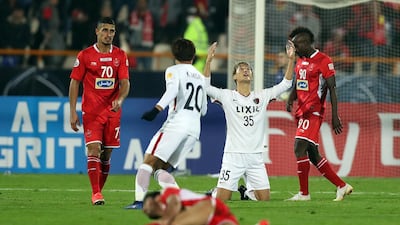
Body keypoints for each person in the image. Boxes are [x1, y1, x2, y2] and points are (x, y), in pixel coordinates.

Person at [204, 41, 295, 201]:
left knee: (264, 200)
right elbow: (205, 87)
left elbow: (286, 84)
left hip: (255, 157)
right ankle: (215, 192)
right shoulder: (227, 96)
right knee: (223, 200)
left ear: (252, 75)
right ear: (234, 76)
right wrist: (208, 61)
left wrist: (291, 60)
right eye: (241, 69)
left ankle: (245, 192)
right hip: (233, 156)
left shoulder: (262, 96)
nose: (246, 71)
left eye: (248, 69)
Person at [125, 38, 208, 209]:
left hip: (176, 124)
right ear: (193, 56)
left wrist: (156, 110)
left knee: (148, 162)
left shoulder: (173, 70)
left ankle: (139, 202)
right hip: (194, 130)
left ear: (174, 54)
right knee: (160, 169)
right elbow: (204, 110)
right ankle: (182, 202)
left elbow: (172, 90)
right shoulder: (200, 77)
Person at [285, 26, 353, 201]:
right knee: (313, 155)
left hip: (314, 111)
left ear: (306, 43)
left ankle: (304, 194)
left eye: (297, 45)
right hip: (302, 111)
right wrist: (290, 99)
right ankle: (342, 186)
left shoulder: (323, 60)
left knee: (299, 146)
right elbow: (298, 82)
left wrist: (335, 115)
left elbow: (332, 89)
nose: (295, 49)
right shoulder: (301, 61)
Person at [69, 17, 130, 205]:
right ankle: (96, 193)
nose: (108, 35)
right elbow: (74, 83)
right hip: (92, 112)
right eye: (104, 30)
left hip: (112, 112)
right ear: (96, 31)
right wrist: (72, 111)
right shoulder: (85, 55)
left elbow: (125, 83)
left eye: (112, 31)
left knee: (107, 154)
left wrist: (120, 99)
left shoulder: (120, 55)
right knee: (94, 149)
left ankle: (98, 192)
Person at [143, 187, 239, 225]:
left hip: (207, 205)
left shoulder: (166, 193)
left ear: (156, 198)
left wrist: (165, 222)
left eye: (145, 203)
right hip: (215, 218)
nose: (144, 209)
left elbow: (174, 201)